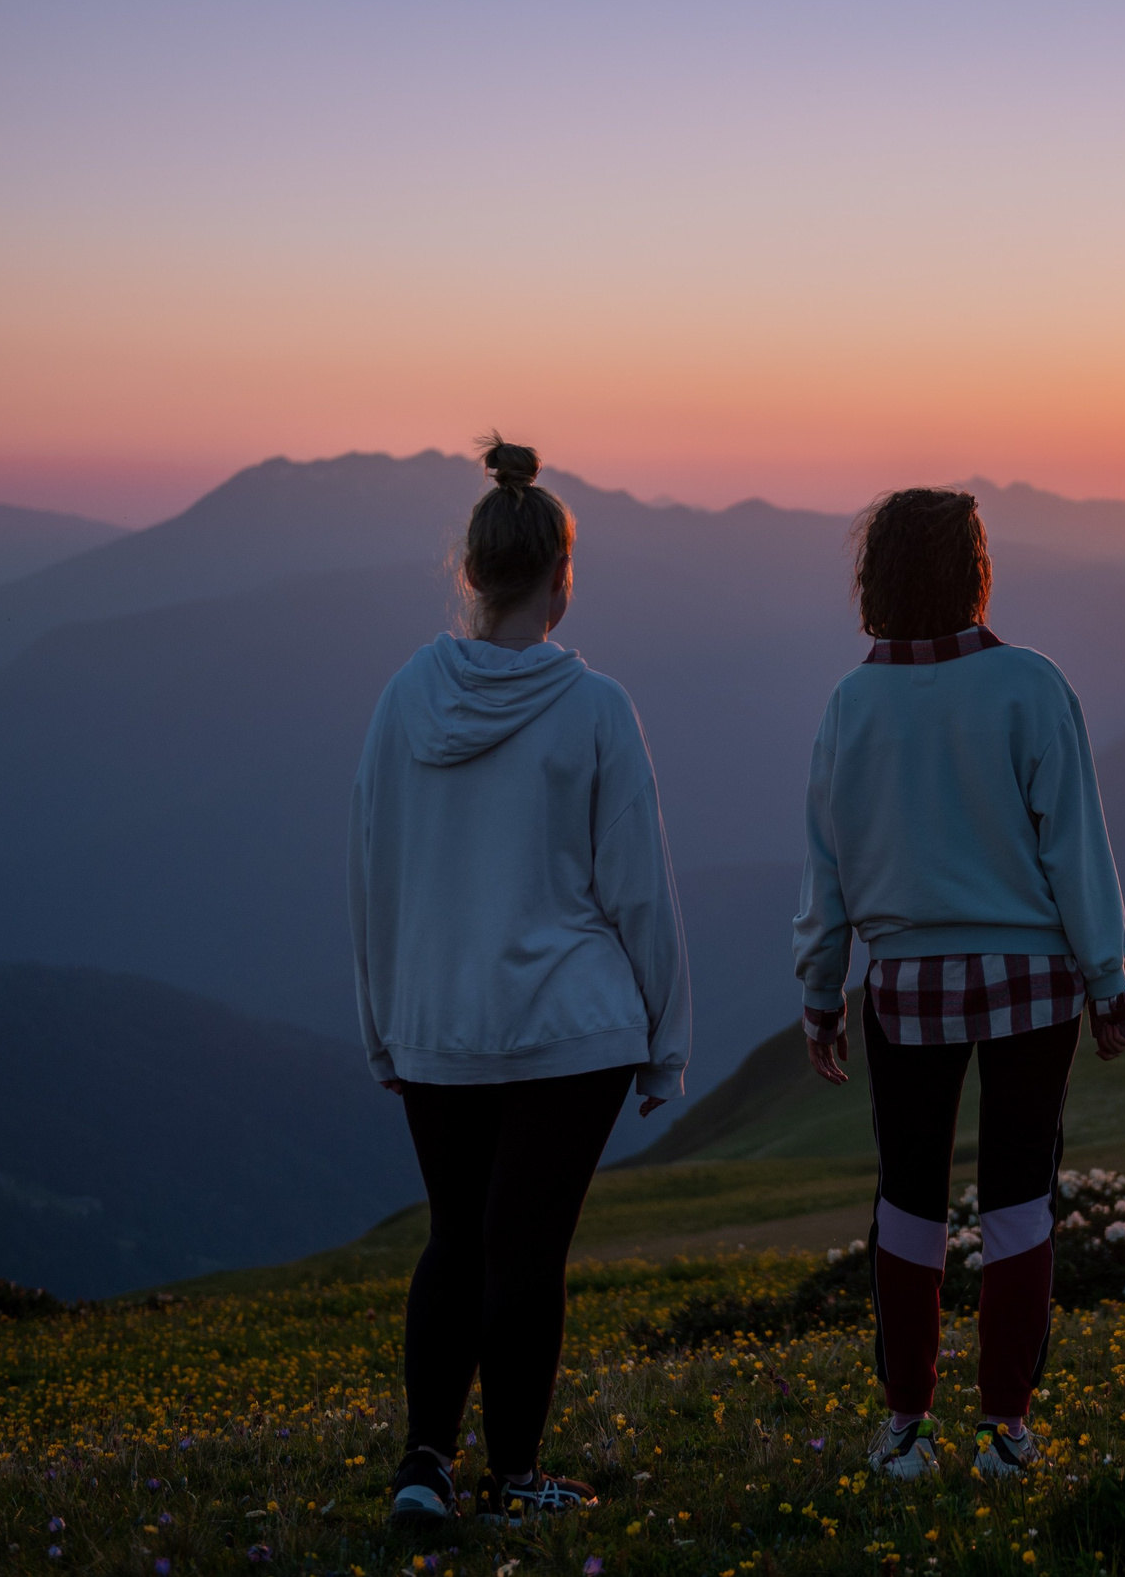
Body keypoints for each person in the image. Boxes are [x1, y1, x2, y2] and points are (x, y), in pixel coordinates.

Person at [349, 435, 690, 1527]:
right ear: (561, 577)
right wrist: (666, 1035)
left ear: (471, 570)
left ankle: (423, 1464)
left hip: (437, 1019)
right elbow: (638, 888)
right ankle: (515, 1478)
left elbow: (374, 871)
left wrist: (384, 1024)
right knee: (527, 1250)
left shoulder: (403, 699)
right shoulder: (595, 707)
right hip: (571, 1027)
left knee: (455, 1236)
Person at [793, 486, 1125, 1482]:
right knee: (1020, 1196)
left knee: (908, 1199)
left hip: (905, 982)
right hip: (1034, 978)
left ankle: (907, 1426)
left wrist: (821, 988)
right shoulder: (1031, 685)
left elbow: (827, 863)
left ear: (877, 575)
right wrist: (1106, 979)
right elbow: (1075, 846)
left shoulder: (851, 703)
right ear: (975, 570)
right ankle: (1006, 1431)